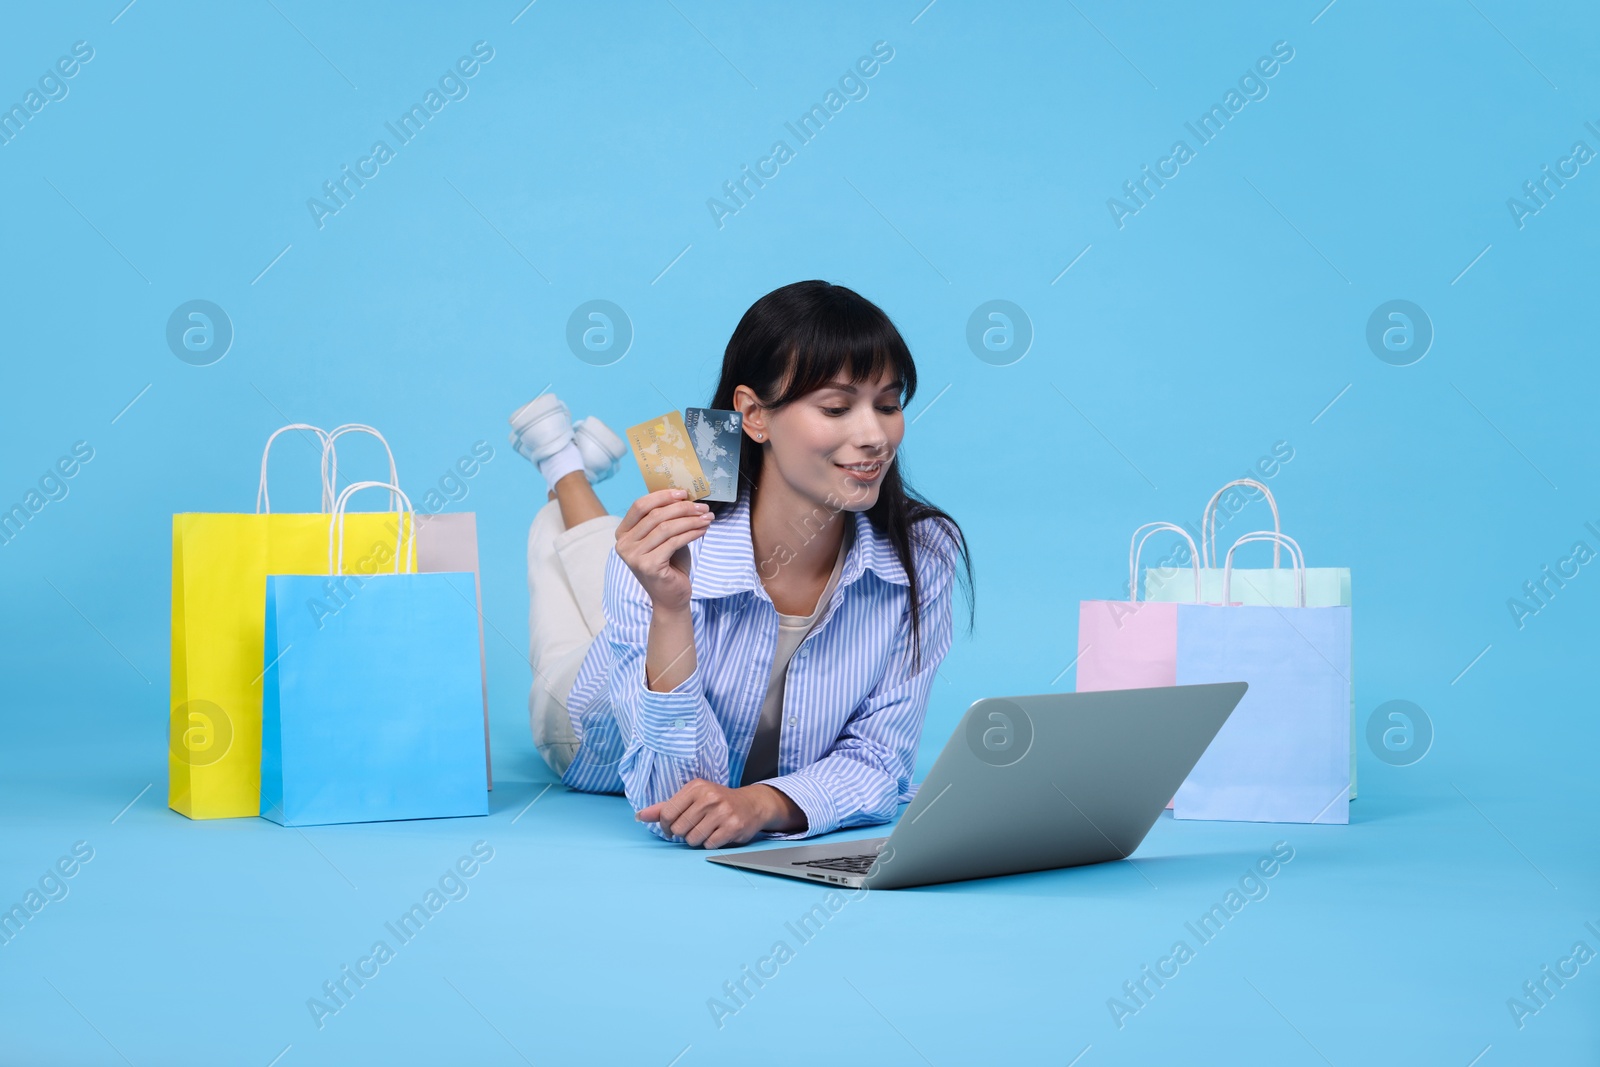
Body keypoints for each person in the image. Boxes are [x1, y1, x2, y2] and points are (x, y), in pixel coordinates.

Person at [519, 280, 974, 849]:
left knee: (618, 547)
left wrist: (762, 803)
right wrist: (667, 607)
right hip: (583, 720)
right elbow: (674, 796)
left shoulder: (921, 553)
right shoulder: (681, 547)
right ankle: (562, 468)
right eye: (836, 407)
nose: (875, 435)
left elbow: (881, 762)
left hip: (661, 577)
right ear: (754, 416)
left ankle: (569, 468)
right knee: (584, 551)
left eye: (888, 405)